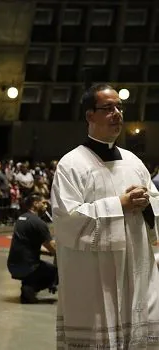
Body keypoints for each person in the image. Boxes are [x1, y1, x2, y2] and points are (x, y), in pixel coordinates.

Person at [51, 83, 159, 348]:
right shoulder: (72, 164)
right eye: (108, 108)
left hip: (134, 268)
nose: (117, 114)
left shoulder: (134, 162)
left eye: (119, 108)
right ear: (90, 115)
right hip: (93, 279)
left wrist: (146, 204)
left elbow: (155, 204)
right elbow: (67, 219)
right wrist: (119, 204)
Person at [7, 194, 56, 304]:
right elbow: (53, 248)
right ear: (35, 203)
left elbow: (27, 245)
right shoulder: (39, 223)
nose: (46, 206)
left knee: (40, 265)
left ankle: (28, 286)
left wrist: (48, 253)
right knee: (56, 272)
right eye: (43, 203)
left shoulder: (21, 218)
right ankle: (29, 288)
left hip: (13, 264)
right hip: (29, 266)